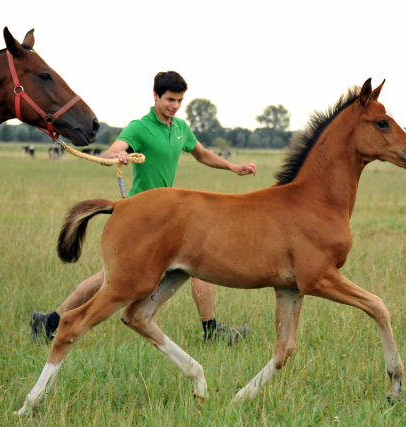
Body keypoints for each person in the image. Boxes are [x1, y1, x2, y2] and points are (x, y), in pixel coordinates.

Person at [31, 71, 257, 345]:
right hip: (142, 216)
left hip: (167, 215)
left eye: (180, 101)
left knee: (199, 261)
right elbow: (110, 151)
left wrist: (233, 167)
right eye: (170, 100)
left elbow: (202, 154)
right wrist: (120, 154)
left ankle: (211, 331)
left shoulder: (181, 128)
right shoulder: (140, 127)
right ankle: (51, 321)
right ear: (156, 96)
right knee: (109, 280)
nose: (174, 105)